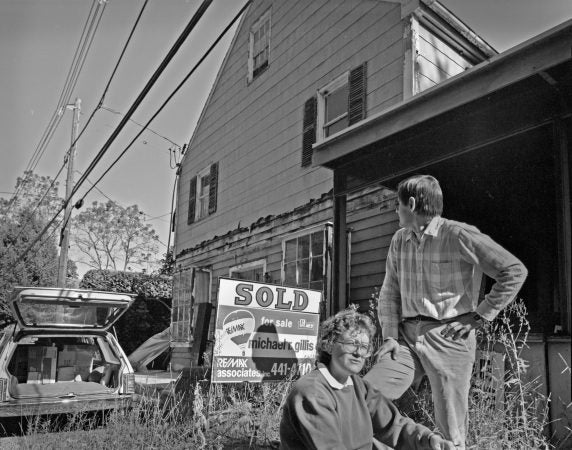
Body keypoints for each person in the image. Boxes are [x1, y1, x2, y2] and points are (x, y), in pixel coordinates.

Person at [364, 175, 528, 449]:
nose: (396, 210)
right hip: (405, 338)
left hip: (448, 337)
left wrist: (480, 314)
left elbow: (513, 271)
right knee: (364, 395)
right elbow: (389, 291)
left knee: (451, 433)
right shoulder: (399, 240)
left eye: (398, 204)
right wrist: (390, 336)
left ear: (412, 204)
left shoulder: (458, 234)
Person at [279, 309, 456, 449]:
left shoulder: (359, 386)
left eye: (364, 346)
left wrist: (429, 440)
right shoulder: (312, 391)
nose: (358, 352)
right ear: (329, 345)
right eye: (351, 344)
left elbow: (394, 425)